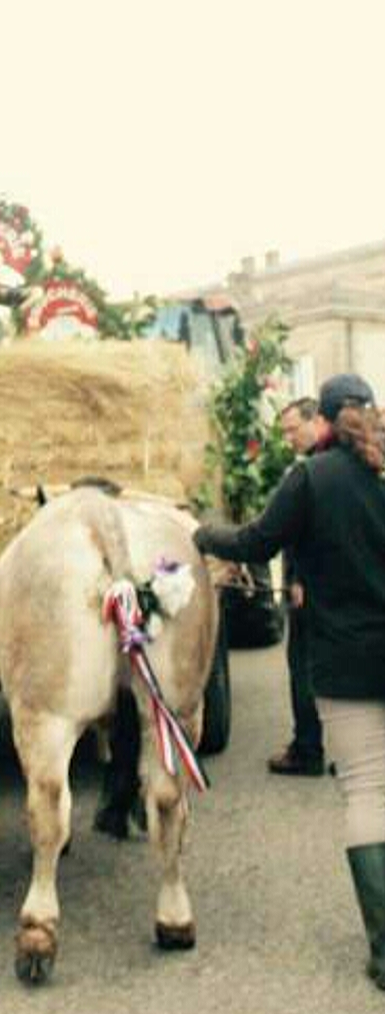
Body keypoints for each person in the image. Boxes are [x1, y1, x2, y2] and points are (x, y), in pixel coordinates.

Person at [194, 373, 385, 991]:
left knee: (365, 792)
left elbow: (256, 542)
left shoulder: (311, 478)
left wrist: (200, 532)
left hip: (347, 658)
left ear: (324, 420)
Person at [266, 397, 330, 776]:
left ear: (316, 421)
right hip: (332, 585)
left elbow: (315, 533)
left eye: (293, 429)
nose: (288, 437)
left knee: (304, 666)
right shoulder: (341, 461)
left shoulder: (312, 471)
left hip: (314, 586)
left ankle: (308, 749)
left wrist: (298, 579)